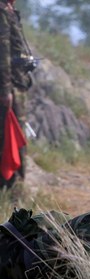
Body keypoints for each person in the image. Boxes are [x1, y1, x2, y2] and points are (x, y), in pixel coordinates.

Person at [0, 0, 35, 189]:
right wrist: (5, 90)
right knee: (11, 136)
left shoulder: (10, 10)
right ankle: (12, 187)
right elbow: (3, 54)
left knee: (17, 134)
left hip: (18, 83)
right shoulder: (2, 13)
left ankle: (15, 184)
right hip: (10, 87)